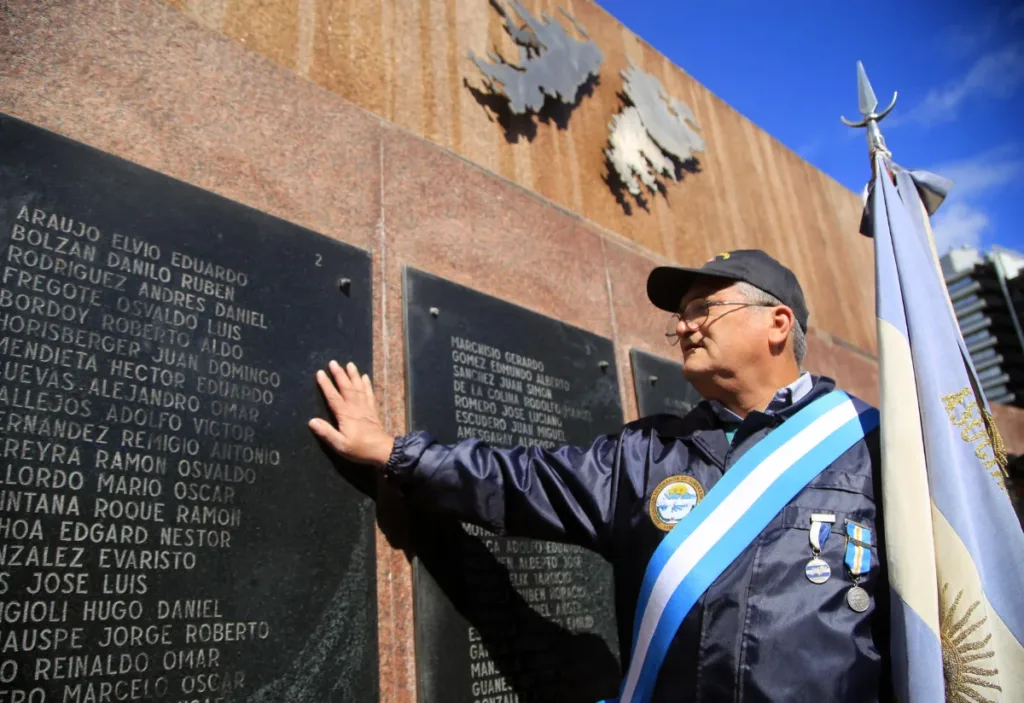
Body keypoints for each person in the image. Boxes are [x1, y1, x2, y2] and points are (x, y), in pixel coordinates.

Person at [308, 249, 889, 703]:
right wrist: (392, 451)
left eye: (700, 310)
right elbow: (522, 481)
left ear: (778, 323)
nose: (683, 328)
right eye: (679, 317)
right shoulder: (647, 453)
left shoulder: (870, 448)